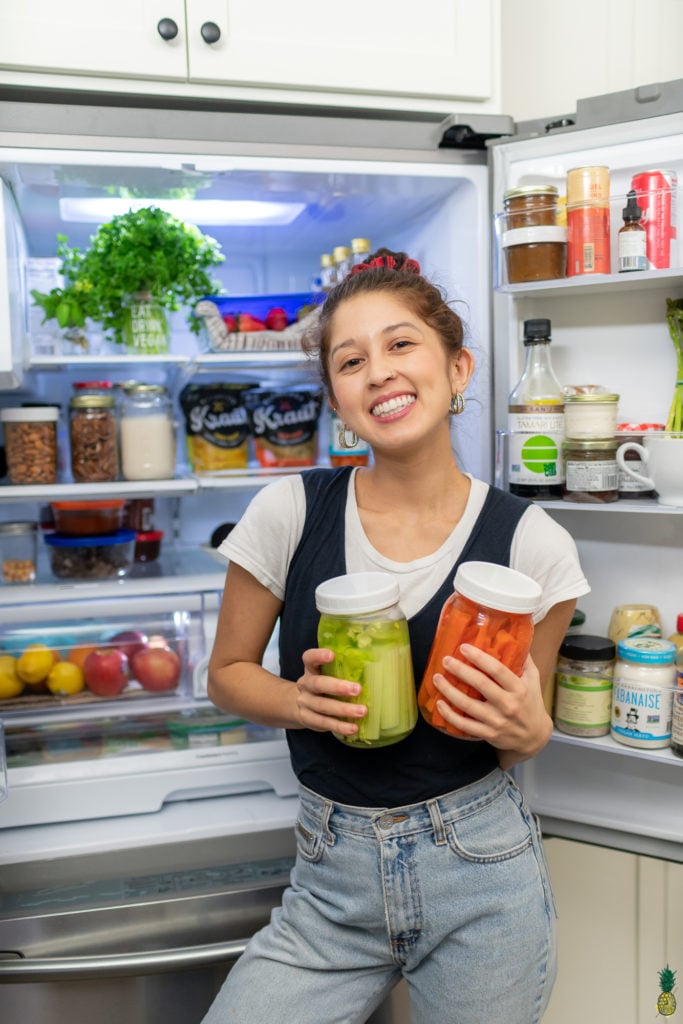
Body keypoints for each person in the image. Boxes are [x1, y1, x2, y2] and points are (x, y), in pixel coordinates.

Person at [202, 250, 590, 1024]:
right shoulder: (289, 511)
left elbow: (519, 735)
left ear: (457, 370)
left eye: (401, 344)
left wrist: (529, 728)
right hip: (330, 878)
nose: (378, 371)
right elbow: (227, 674)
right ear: (337, 400)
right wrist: (299, 701)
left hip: (480, 870)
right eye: (350, 361)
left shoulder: (533, 542)